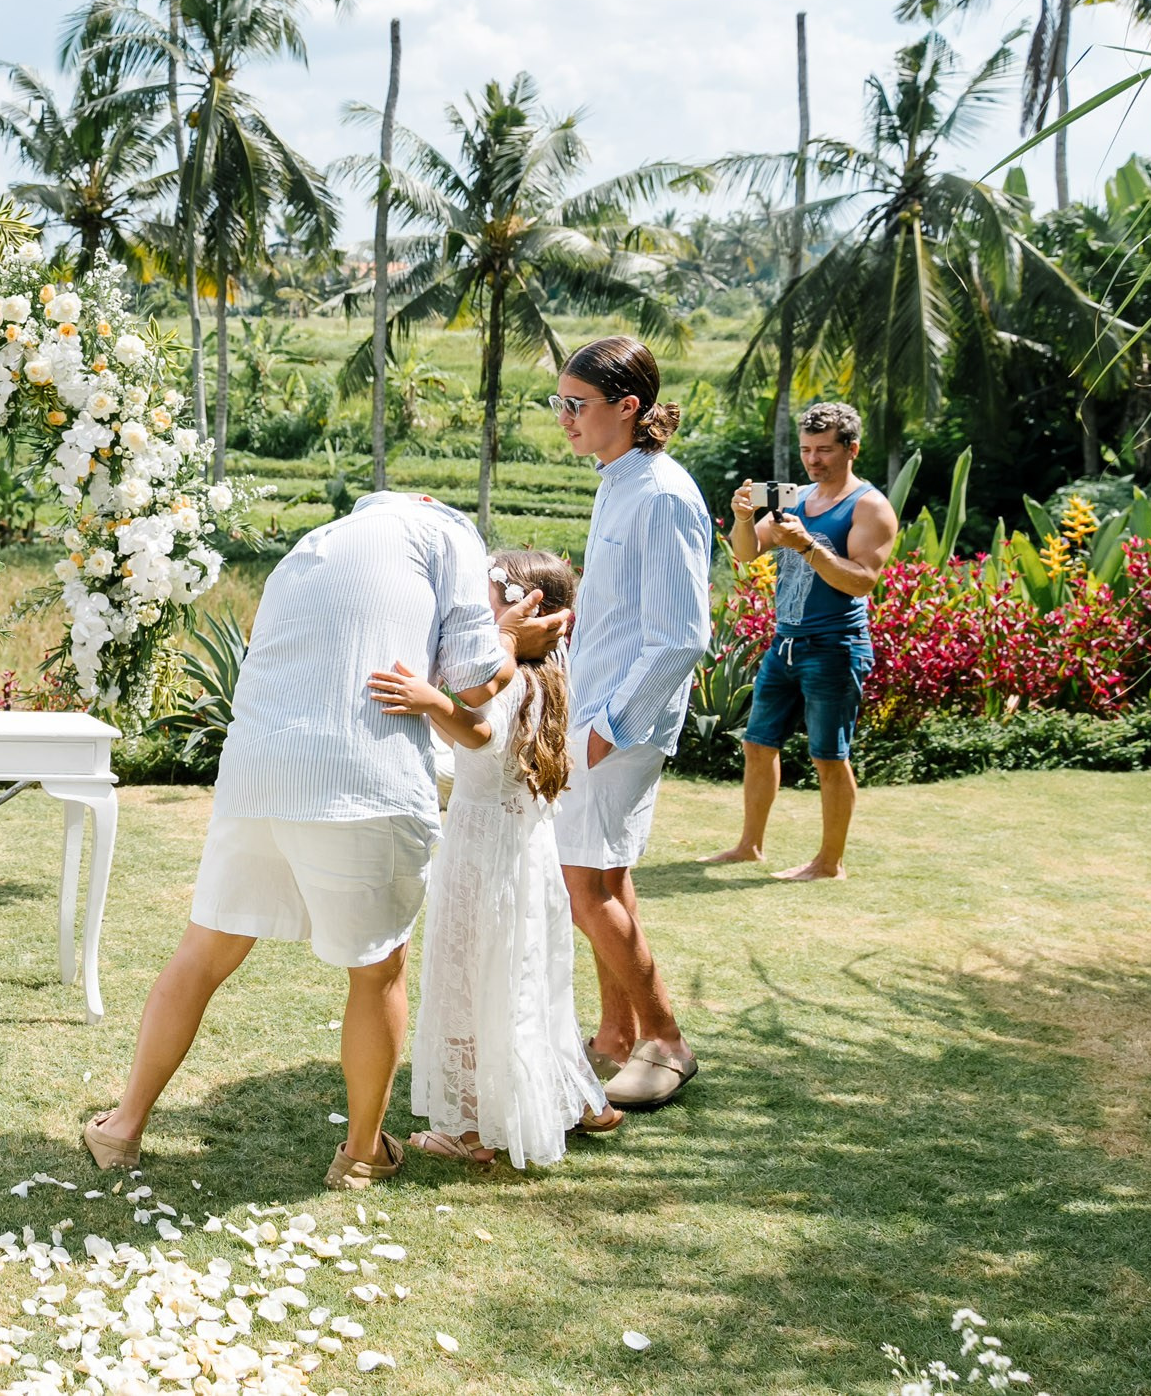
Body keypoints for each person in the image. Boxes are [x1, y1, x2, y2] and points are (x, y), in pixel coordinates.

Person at [79, 492, 564, 1186]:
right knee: (377, 969)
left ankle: (123, 1127)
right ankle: (362, 1152)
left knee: (204, 950)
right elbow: (481, 681)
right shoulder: (449, 532)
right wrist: (513, 637)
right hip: (361, 777)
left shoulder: (315, 545)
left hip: (257, 770)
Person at [372, 548, 620, 1168]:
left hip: (483, 849)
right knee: (529, 973)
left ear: (525, 609)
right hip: (526, 850)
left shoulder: (512, 676)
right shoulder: (553, 674)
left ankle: (475, 1132)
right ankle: (578, 1099)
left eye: (488, 602)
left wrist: (430, 700)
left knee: (477, 975)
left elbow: (481, 733)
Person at [552, 335, 711, 1113]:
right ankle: (616, 1035)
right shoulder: (619, 480)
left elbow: (681, 634)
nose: (565, 420)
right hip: (595, 713)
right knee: (603, 877)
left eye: (578, 405)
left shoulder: (662, 493)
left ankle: (667, 1038)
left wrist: (606, 726)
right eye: (561, 403)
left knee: (583, 888)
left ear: (630, 407)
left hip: (619, 723)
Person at [705, 400, 898, 880]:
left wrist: (808, 546)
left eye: (825, 450)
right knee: (757, 744)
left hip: (835, 646)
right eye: (808, 450)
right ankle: (750, 846)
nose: (814, 460)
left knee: (828, 756)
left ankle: (829, 863)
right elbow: (747, 555)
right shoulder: (796, 498)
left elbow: (862, 580)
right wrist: (744, 518)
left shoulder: (870, 506)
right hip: (785, 643)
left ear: (852, 449)